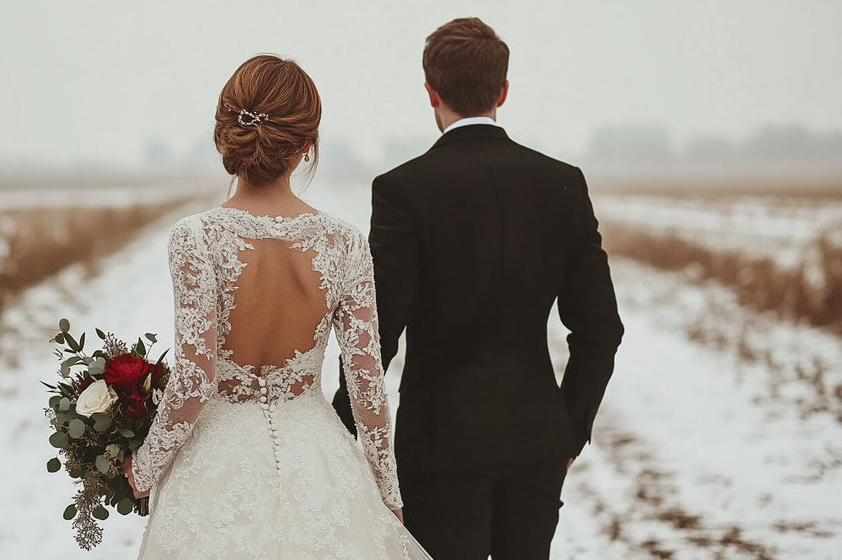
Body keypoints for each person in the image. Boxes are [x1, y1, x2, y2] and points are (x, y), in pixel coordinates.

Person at [331, 17, 624, 560]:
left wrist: (337, 427)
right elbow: (601, 329)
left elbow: (377, 332)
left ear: (431, 92)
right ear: (503, 91)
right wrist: (568, 430)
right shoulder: (562, 184)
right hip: (536, 441)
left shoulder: (401, 190)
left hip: (437, 446)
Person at [120, 54, 432, 559]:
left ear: (225, 134)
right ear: (307, 146)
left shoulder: (195, 239)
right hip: (322, 464)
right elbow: (367, 387)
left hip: (215, 469)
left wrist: (145, 466)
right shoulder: (345, 243)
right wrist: (386, 495)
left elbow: (195, 380)